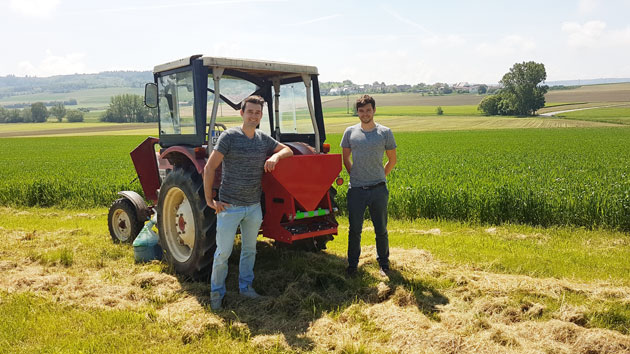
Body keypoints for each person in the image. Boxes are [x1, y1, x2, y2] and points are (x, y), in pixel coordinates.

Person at [203, 95, 293, 310]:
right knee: (223, 253)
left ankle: (246, 288)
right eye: (250, 111)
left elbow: (287, 149)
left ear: (261, 116)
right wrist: (209, 200)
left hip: (253, 207)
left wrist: (275, 157)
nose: (253, 115)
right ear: (242, 113)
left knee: (249, 250)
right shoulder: (229, 137)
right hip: (229, 207)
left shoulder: (263, 139)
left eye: (257, 112)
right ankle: (216, 295)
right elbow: (209, 168)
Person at [341, 94, 397, 278]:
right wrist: (355, 176)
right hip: (356, 190)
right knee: (354, 230)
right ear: (357, 112)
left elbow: (392, 160)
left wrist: (380, 176)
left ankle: (384, 264)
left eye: (368, 110)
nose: (365, 114)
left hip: (378, 190)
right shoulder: (350, 132)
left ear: (374, 110)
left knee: (381, 229)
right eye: (361, 110)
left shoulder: (385, 132)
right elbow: (345, 158)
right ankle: (352, 265)